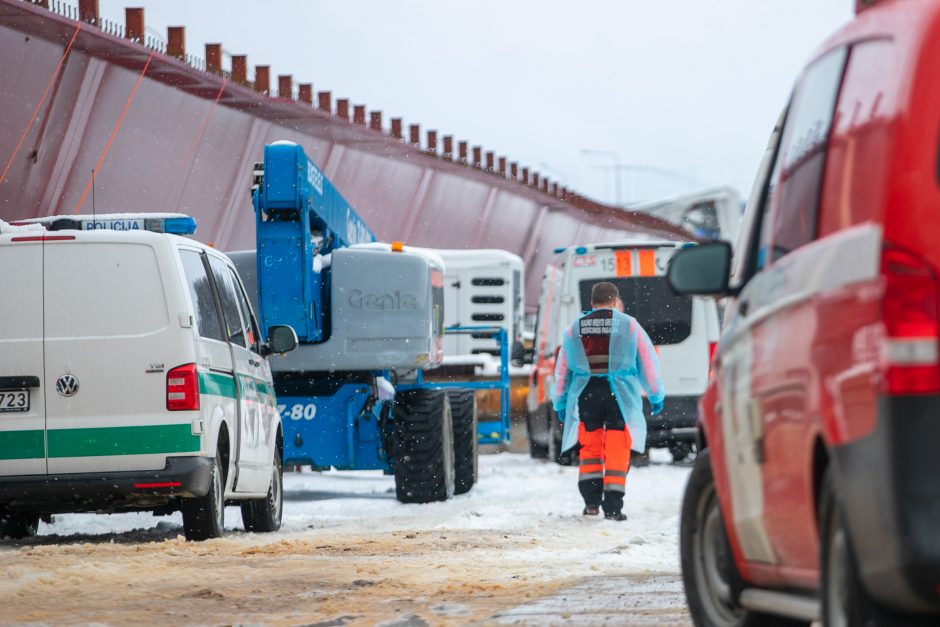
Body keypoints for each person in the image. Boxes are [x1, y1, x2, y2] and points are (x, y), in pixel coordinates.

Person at [551, 281, 664, 521]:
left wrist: (560, 402)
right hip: (620, 395)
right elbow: (647, 363)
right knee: (616, 447)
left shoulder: (573, 330)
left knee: (590, 447)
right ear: (615, 301)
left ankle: (591, 503)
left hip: (586, 393)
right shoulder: (629, 326)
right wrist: (655, 395)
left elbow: (563, 371)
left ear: (591, 303)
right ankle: (613, 508)